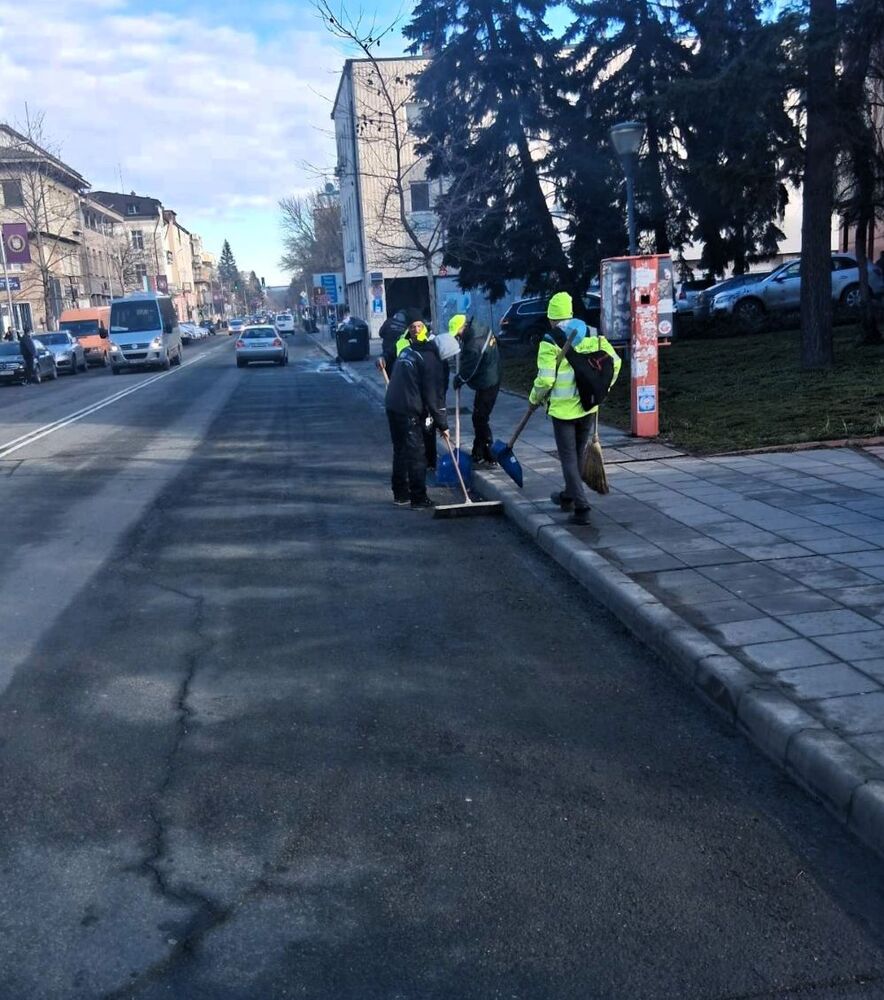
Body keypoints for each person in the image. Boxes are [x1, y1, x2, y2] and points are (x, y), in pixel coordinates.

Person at [529, 292, 621, 525]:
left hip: (563, 412)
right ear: (570, 313)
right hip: (588, 407)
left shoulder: (549, 341)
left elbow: (546, 381)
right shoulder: (592, 332)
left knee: (569, 458)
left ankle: (581, 507)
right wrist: (603, 389)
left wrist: (534, 398)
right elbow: (615, 362)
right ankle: (568, 496)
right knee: (578, 454)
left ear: (551, 318)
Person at [384, 318, 449, 509]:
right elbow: (433, 396)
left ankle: (400, 494)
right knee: (417, 455)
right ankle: (419, 499)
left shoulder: (408, 351)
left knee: (400, 450)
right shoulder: (430, 359)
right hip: (407, 410)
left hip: (392, 405)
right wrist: (443, 425)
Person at [451, 315, 501, 466]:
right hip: (493, 372)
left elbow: (468, 370)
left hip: (488, 381)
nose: (457, 337)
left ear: (463, 327)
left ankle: (490, 454)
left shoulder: (473, 344)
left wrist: (459, 379)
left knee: (480, 418)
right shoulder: (480, 327)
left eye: (457, 333)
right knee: (479, 416)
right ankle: (478, 453)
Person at [378, 309, 407, 376]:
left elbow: (380, 333)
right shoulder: (406, 325)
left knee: (388, 369)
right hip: (399, 351)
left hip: (387, 350)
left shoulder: (388, 322)